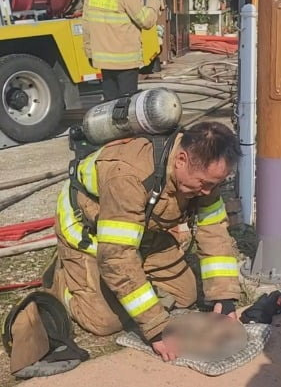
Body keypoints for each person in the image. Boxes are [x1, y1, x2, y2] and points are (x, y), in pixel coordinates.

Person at [44, 121, 243, 362]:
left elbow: (213, 230)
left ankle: (133, 281)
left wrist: (223, 296)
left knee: (186, 295)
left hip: (141, 230)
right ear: (181, 159)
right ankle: (64, 281)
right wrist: (156, 326)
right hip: (90, 233)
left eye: (215, 184)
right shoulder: (127, 174)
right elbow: (116, 256)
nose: (208, 192)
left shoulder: (203, 174)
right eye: (204, 184)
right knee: (104, 321)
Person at [83, 0, 162, 101]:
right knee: (125, 106)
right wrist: (154, 1)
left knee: (110, 105)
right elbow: (146, 20)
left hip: (104, 61)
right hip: (126, 60)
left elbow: (87, 23)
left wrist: (89, 52)